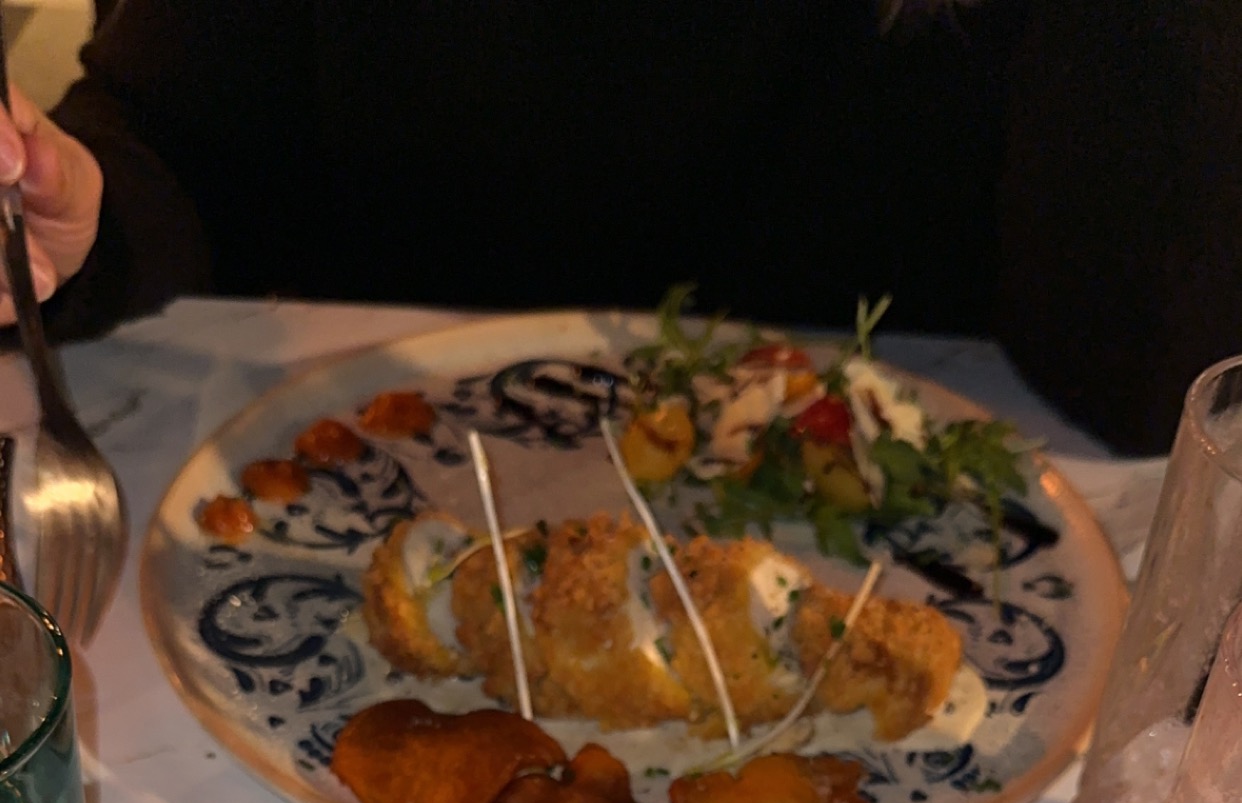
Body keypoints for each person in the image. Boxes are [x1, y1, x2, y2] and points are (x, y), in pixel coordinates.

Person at [0, 0, 1237, 454]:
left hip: (917, 603)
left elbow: (1151, 391)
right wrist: (71, 214)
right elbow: (179, 143)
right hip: (365, 575)